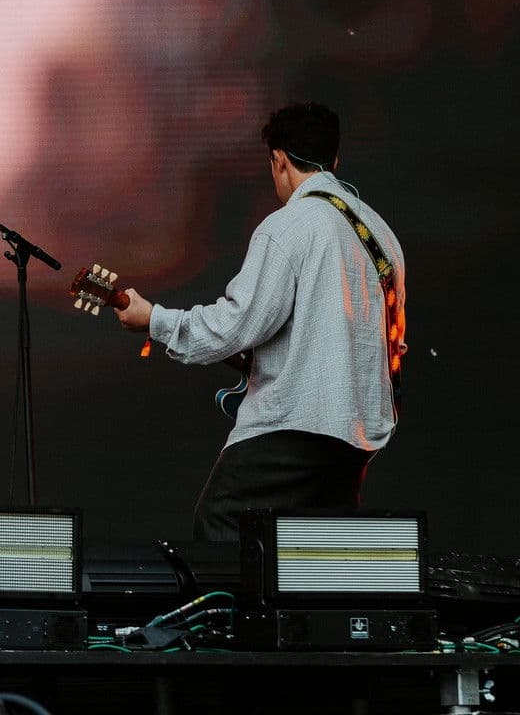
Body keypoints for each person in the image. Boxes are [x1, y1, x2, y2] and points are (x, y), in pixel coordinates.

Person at [112, 102, 405, 541]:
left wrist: (154, 320)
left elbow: (236, 324)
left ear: (279, 160)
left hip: (297, 423)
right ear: (335, 160)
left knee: (220, 523)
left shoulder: (289, 227)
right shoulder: (382, 234)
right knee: (307, 555)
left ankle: (242, 615)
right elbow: (389, 344)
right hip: (358, 436)